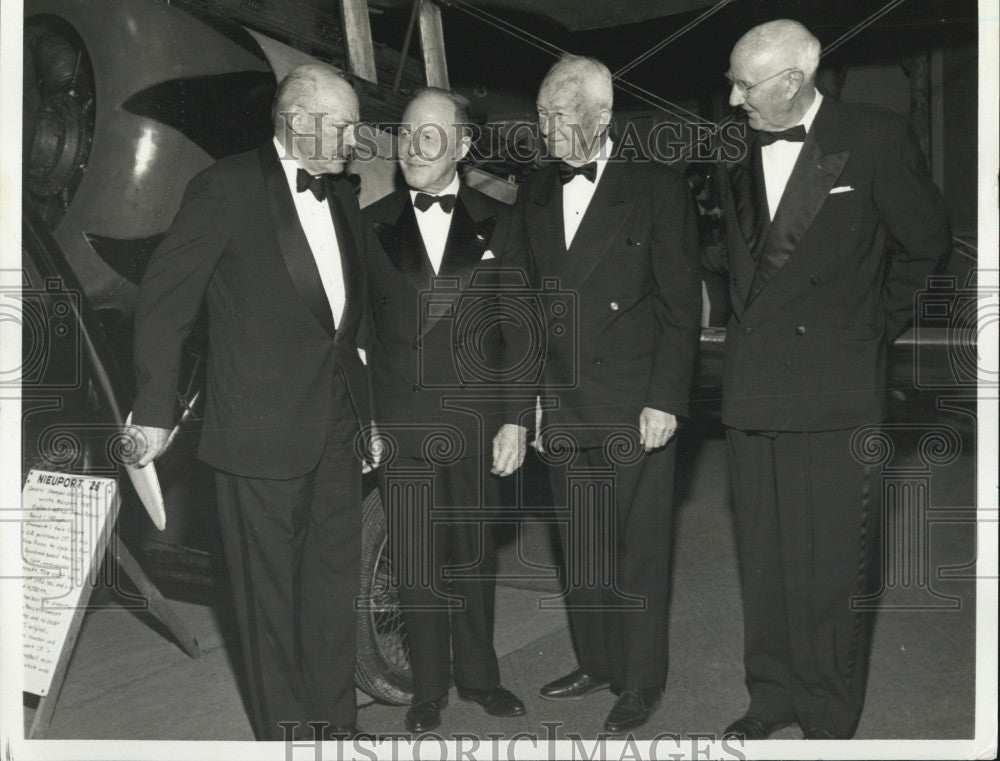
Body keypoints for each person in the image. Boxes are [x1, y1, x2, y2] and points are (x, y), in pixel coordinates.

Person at [711, 19, 951, 740]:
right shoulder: (733, 149)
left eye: (744, 85)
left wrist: (869, 329)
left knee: (829, 566)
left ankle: (825, 710)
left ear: (793, 81)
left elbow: (926, 245)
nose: (731, 99)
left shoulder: (873, 136)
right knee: (765, 557)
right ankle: (772, 693)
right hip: (753, 389)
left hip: (833, 387)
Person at [127, 64, 371, 740]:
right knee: (268, 604)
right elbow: (164, 302)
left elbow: (350, 323)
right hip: (257, 434)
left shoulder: (343, 195)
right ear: (297, 121)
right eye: (344, 124)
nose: (356, 138)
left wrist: (370, 412)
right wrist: (152, 408)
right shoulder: (226, 187)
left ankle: (339, 731)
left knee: (330, 590)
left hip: (338, 432)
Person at [522, 54, 701, 733]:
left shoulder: (656, 187)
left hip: (634, 403)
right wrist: (534, 402)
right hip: (565, 404)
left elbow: (683, 306)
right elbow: (531, 305)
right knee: (582, 545)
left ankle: (640, 678)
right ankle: (596, 660)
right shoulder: (537, 189)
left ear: (602, 118)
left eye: (560, 117)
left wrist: (666, 397)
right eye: (540, 117)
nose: (546, 131)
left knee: (639, 550)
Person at [361, 87, 532, 734]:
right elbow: (362, 333)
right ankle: (428, 687)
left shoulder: (502, 219)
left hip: (475, 422)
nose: (413, 146)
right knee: (414, 561)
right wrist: (367, 419)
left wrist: (518, 417)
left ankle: (481, 677)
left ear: (462, 146)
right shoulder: (371, 221)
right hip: (401, 424)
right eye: (406, 134)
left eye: (431, 135)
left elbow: (521, 328)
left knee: (473, 554)